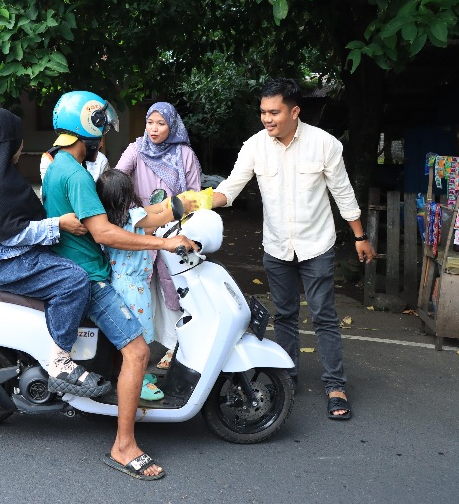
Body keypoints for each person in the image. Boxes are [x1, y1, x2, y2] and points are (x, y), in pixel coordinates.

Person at [42, 91, 195, 481]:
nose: (103, 139)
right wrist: (163, 243)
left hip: (76, 268)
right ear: (88, 129)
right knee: (139, 352)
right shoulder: (77, 175)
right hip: (89, 277)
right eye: (101, 131)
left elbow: (131, 217)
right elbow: (106, 233)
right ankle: (124, 445)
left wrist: (182, 206)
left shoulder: (59, 165)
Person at [210, 78, 377, 420]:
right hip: (276, 246)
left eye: (274, 112)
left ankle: (335, 386)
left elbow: (343, 193)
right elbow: (229, 190)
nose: (266, 118)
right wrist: (192, 204)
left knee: (324, 316)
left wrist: (360, 236)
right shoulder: (254, 146)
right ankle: (287, 377)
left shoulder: (324, 144)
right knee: (284, 315)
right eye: (263, 112)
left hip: (317, 245)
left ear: (295, 111)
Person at [0, 107, 110, 397]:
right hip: (3, 262)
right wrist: (58, 224)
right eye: (19, 139)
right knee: (74, 279)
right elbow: (11, 233)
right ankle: (60, 362)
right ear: (6, 141)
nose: (22, 146)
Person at [115, 102, 202, 370]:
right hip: (142, 227)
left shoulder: (184, 154)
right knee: (140, 288)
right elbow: (117, 181)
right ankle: (136, 346)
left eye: (161, 123)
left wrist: (186, 227)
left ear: (172, 126)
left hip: (175, 232)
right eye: (150, 122)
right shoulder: (137, 149)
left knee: (173, 289)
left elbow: (195, 197)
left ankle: (176, 346)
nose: (154, 129)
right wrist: (133, 214)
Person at [95, 169, 182, 402]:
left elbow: (151, 211)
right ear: (127, 193)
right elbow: (159, 219)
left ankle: (124, 373)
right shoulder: (133, 216)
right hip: (134, 288)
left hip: (118, 282)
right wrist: (181, 206)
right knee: (137, 339)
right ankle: (138, 380)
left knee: (124, 336)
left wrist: (161, 205)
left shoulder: (107, 220)